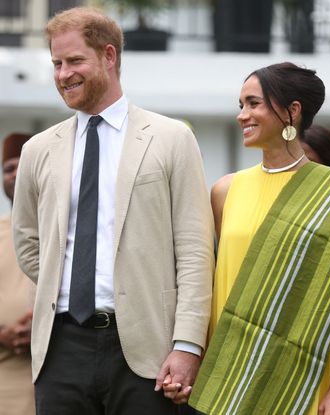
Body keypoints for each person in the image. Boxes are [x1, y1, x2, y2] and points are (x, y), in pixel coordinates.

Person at [12, 7, 214, 414]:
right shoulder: (37, 150)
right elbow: (29, 244)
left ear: (109, 56)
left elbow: (194, 251)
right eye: (56, 63)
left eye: (74, 61)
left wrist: (187, 345)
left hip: (145, 351)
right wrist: (65, 281)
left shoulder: (171, 139)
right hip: (59, 350)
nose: (62, 74)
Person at [189, 62, 330, 414]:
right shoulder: (225, 191)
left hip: (310, 371)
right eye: (240, 105)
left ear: (292, 111)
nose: (241, 116)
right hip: (236, 372)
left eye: (253, 104)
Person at [0, 132, 35, 415]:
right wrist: (4, 335)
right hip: (5, 372)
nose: (15, 174)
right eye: (8, 168)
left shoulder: (68, 232)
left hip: (58, 367)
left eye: (23, 165)